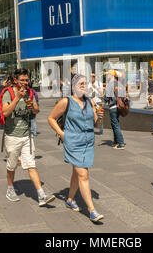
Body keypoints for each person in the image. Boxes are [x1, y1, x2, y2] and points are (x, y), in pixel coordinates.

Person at [48, 74, 105, 222]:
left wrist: (99, 117)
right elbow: (51, 118)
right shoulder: (66, 101)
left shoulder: (90, 102)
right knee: (83, 174)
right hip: (73, 142)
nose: (84, 86)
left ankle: (70, 199)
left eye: (86, 84)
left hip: (88, 142)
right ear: (74, 86)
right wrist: (62, 134)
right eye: (81, 84)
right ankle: (92, 211)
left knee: (77, 172)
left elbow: (96, 126)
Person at [2, 69, 55, 206]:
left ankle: (41, 194)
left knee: (31, 165)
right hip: (12, 136)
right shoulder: (8, 93)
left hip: (27, 136)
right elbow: (6, 112)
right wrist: (17, 98)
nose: (25, 83)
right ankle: (10, 189)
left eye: (27, 80)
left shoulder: (29, 93)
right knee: (12, 166)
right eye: (22, 80)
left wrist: (32, 107)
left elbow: (36, 110)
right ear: (15, 80)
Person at [105, 71, 126, 149]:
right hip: (119, 107)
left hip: (113, 106)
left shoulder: (110, 84)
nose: (107, 76)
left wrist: (103, 102)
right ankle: (116, 142)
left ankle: (121, 143)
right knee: (116, 124)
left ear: (111, 75)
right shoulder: (119, 84)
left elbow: (106, 97)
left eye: (107, 75)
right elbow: (124, 95)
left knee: (115, 125)